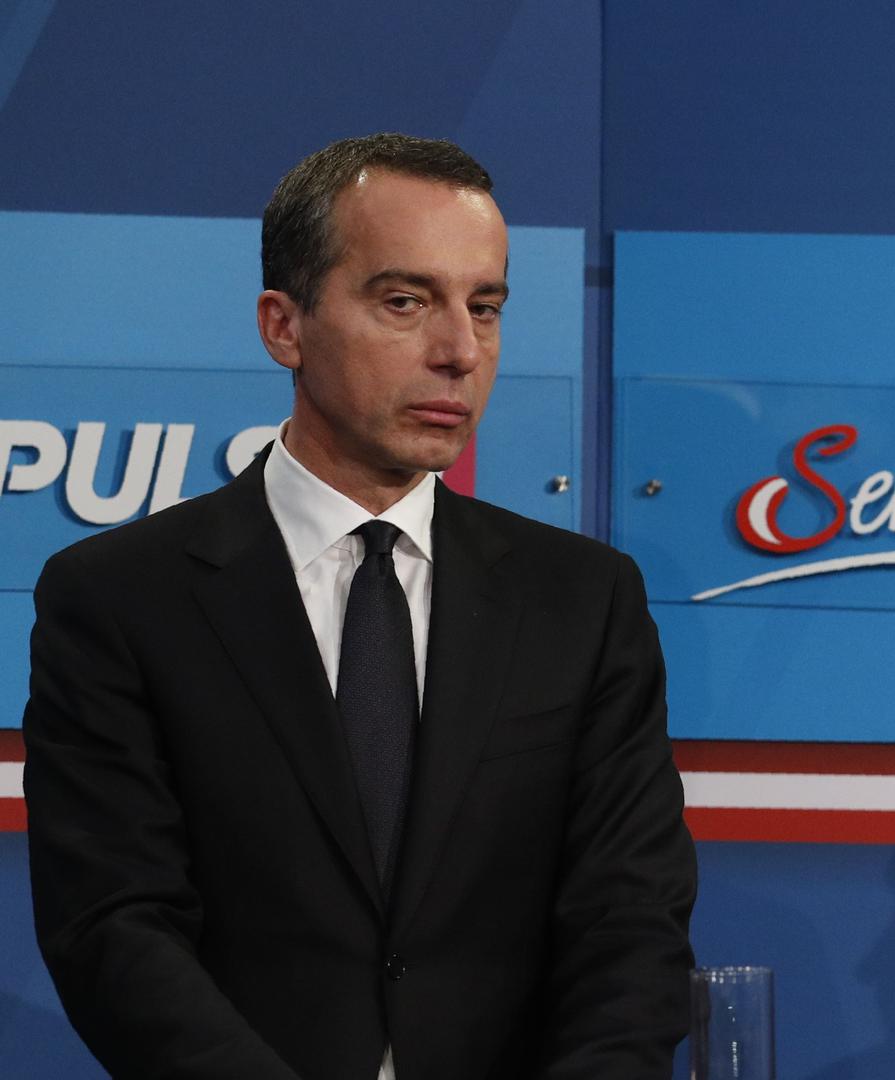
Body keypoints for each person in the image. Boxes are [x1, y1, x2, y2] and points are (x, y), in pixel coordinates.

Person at [24, 133, 697, 1079]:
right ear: (284, 326)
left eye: (485, 307)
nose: (459, 352)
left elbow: (630, 919)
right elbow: (113, 924)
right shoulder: (120, 597)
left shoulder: (583, 602)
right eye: (405, 302)